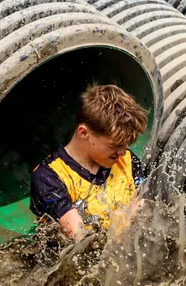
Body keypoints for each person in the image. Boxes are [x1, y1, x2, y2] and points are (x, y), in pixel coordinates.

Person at [29, 84, 148, 240]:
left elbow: (147, 210)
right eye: (115, 145)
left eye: (125, 145)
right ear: (84, 132)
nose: (123, 152)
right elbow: (81, 241)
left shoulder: (127, 161)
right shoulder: (49, 177)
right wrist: (127, 218)